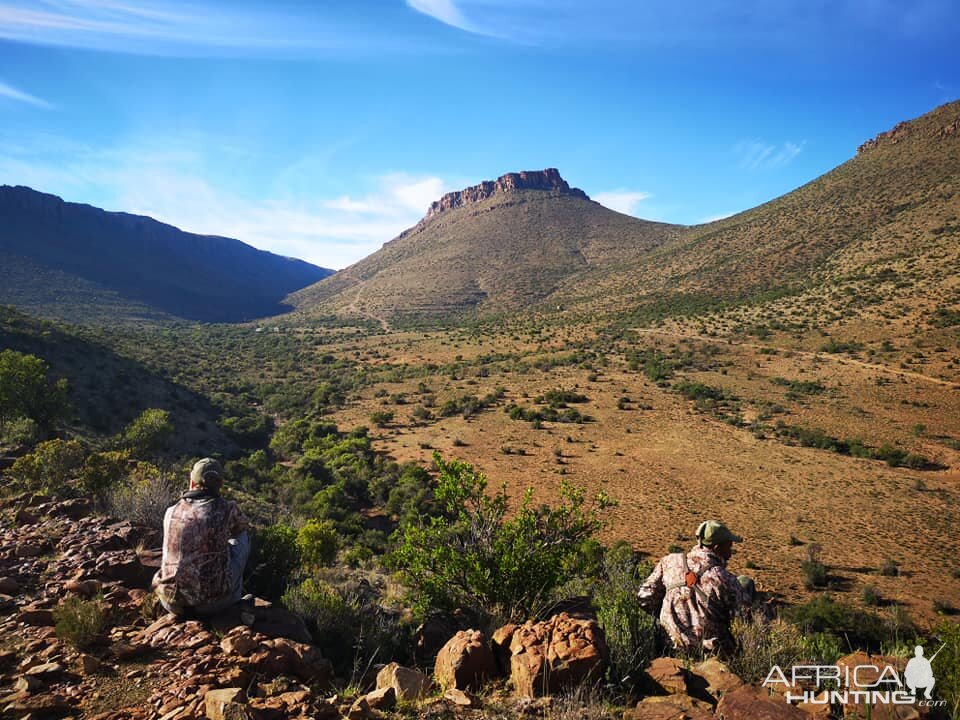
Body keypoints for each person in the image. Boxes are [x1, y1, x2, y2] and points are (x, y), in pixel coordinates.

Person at [153, 458, 250, 617]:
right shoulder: (227, 508)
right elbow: (242, 527)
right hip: (212, 604)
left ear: (192, 482)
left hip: (170, 602)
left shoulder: (171, 510)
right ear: (220, 484)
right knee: (242, 537)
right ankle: (236, 596)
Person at [636, 520, 747, 656]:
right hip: (709, 656)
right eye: (729, 547)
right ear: (717, 548)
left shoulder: (669, 562)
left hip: (669, 649)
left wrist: (669, 613)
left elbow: (644, 598)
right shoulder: (725, 579)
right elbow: (745, 619)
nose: (730, 554)